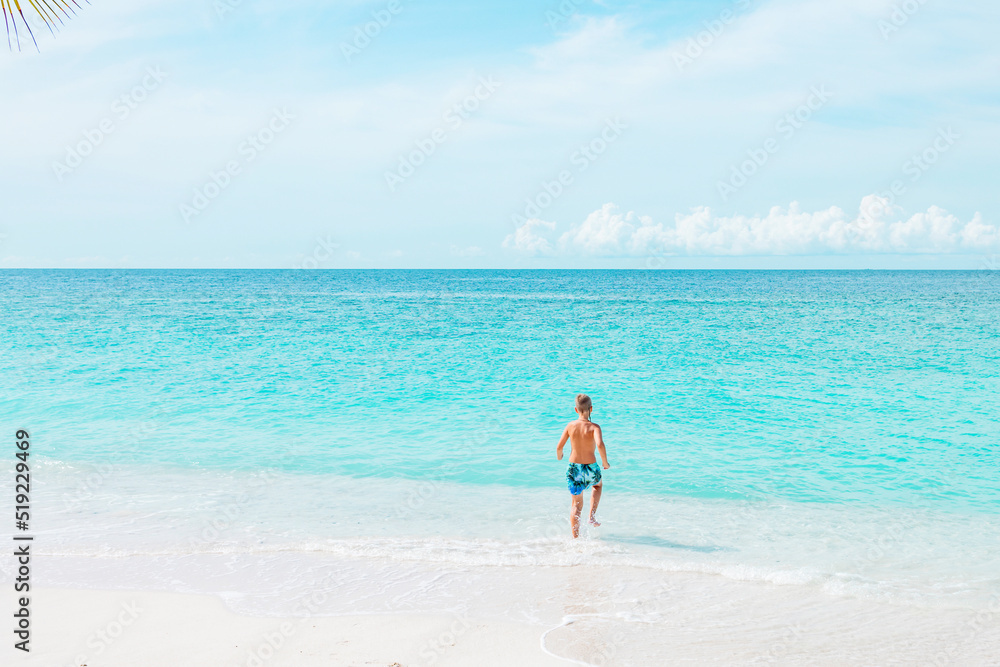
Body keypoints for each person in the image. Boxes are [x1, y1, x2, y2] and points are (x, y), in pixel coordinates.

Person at [556, 393, 611, 538]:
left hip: (574, 469)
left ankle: (575, 539)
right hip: (591, 467)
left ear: (576, 410)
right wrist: (605, 462)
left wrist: (559, 456)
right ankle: (591, 516)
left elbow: (559, 447)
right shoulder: (595, 427)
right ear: (591, 409)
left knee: (576, 505)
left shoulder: (570, 426)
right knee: (597, 486)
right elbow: (599, 444)